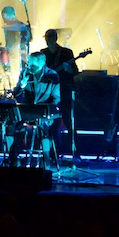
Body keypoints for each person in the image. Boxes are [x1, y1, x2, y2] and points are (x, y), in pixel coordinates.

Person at [4, 52, 61, 168]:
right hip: (28, 109)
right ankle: (13, 159)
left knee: (44, 127)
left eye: (33, 65)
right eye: (29, 64)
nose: (30, 67)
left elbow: (56, 97)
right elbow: (16, 93)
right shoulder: (26, 72)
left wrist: (48, 111)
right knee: (10, 124)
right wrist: (23, 84)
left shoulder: (52, 75)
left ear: (42, 64)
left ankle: (46, 161)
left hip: (44, 110)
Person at [40, 29, 78, 157]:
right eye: (46, 37)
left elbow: (75, 72)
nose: (47, 40)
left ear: (55, 38)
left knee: (68, 121)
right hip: (50, 94)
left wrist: (68, 69)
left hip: (64, 91)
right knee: (52, 124)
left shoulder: (66, 53)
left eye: (50, 37)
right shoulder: (42, 53)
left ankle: (75, 152)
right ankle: (53, 152)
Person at [0, 5, 30, 88]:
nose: (4, 20)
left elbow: (25, 43)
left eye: (4, 18)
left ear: (11, 16)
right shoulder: (8, 28)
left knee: (17, 80)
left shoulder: (21, 27)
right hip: (10, 57)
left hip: (18, 58)